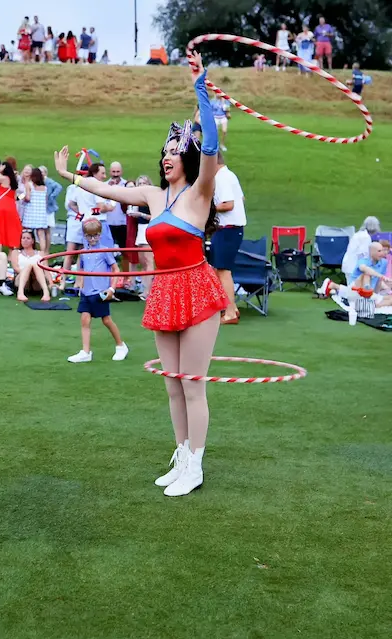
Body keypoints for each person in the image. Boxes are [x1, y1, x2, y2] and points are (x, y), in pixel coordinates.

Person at [54, 51, 229, 497]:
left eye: (175, 151)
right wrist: (68, 175)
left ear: (187, 158)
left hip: (197, 288)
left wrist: (201, 95)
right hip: (165, 290)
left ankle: (196, 465)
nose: (168, 157)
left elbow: (210, 147)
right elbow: (105, 187)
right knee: (171, 388)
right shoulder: (153, 196)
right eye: (164, 152)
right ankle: (181, 454)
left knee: (192, 387)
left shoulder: (200, 193)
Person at [66, 219, 128, 363]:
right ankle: (86, 352)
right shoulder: (83, 252)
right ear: (85, 236)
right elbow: (81, 270)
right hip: (87, 292)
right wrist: (80, 285)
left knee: (106, 320)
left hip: (101, 292)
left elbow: (115, 269)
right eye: (89, 236)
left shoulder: (104, 251)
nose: (92, 239)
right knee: (84, 319)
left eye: (95, 235)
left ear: (100, 235)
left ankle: (121, 345)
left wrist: (112, 288)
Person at [211, 152, 246, 324]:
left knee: (224, 271)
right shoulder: (229, 175)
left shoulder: (222, 177)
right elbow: (241, 199)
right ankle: (231, 307)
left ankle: (230, 312)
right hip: (230, 229)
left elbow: (228, 204)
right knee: (220, 270)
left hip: (227, 229)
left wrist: (209, 210)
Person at [319, 241, 392, 309]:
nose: (382, 253)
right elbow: (364, 269)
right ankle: (367, 301)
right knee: (367, 274)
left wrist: (377, 293)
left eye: (382, 250)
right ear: (372, 252)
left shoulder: (384, 263)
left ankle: (373, 304)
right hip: (355, 289)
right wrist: (380, 276)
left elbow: (378, 281)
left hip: (369, 293)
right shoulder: (364, 261)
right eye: (379, 251)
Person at [0, 161, 22, 251]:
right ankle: (13, 251)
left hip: (2, 205)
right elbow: (15, 197)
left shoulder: (3, 178)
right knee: (11, 228)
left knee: (0, 228)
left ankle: (0, 251)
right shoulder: (13, 180)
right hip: (11, 206)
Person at [12, 229, 50, 302]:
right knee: (29, 266)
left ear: (32, 241)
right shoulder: (16, 252)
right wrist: (28, 272)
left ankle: (46, 292)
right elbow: (15, 268)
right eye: (23, 238)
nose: (25, 240)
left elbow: (46, 269)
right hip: (21, 280)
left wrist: (51, 283)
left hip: (36, 281)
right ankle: (20, 293)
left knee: (36, 265)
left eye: (28, 238)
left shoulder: (41, 253)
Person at [21, 166, 49, 252]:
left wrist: (21, 198)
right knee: (41, 234)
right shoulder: (44, 188)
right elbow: (46, 200)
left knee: (27, 232)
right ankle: (43, 253)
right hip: (40, 213)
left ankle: (27, 250)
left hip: (31, 212)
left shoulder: (29, 185)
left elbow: (28, 198)